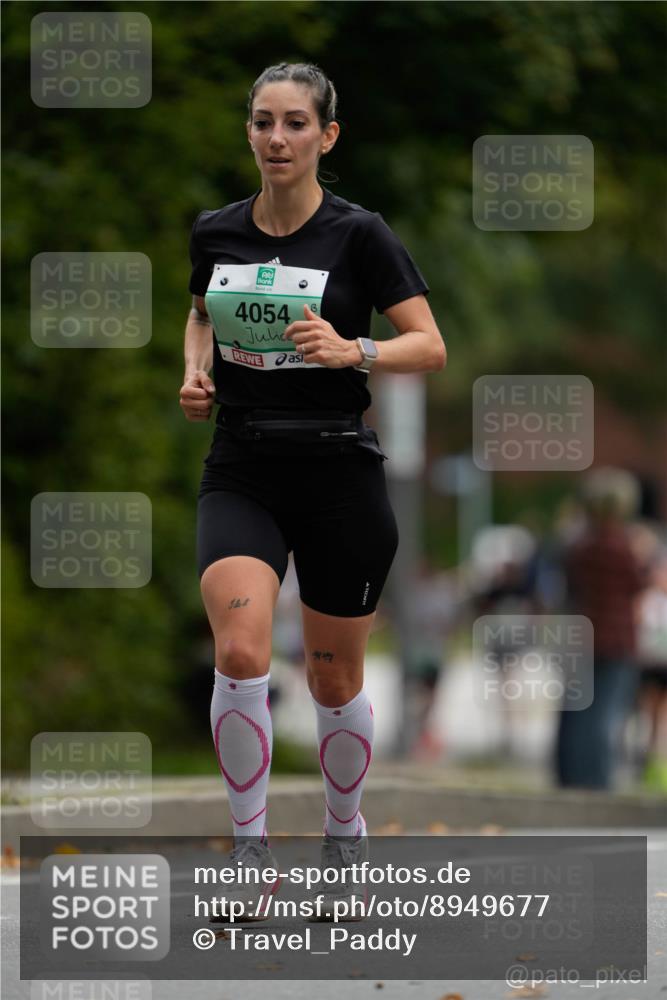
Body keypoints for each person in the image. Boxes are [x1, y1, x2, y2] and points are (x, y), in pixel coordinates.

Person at [180, 62, 445, 920]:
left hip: (337, 470)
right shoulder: (217, 231)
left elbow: (428, 345)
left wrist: (352, 352)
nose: (277, 138)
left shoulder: (360, 234)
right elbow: (198, 310)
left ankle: (343, 837)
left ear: (326, 137)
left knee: (333, 681)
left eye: (296, 123)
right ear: (249, 133)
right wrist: (195, 372)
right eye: (263, 122)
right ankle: (250, 856)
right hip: (244, 467)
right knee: (242, 652)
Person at [555, 468, 645, 790]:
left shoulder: (578, 545)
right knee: (605, 714)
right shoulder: (622, 547)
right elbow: (638, 584)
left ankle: (572, 778)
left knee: (578, 713)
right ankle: (597, 783)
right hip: (615, 638)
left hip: (580, 634)